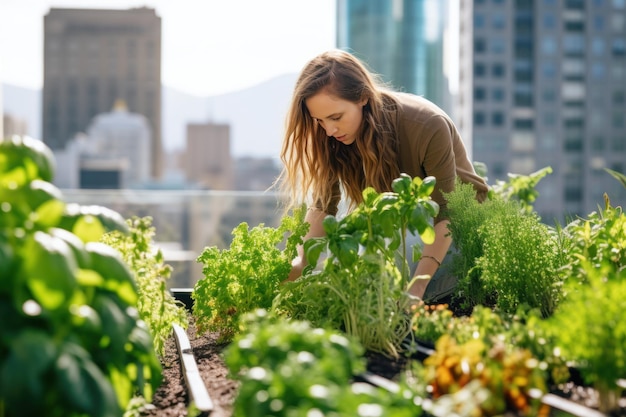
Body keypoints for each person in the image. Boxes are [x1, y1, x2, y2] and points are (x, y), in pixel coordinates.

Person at [277, 49, 488, 299]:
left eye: (336, 117)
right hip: (403, 237)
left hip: (460, 237)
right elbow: (323, 207)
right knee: (338, 267)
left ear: (363, 97)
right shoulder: (330, 136)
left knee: (378, 285)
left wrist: (416, 290)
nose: (329, 129)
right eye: (319, 121)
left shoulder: (427, 125)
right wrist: (300, 263)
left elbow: (447, 213)